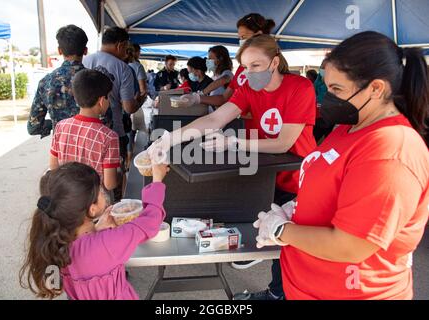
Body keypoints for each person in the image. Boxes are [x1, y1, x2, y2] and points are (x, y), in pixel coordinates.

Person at [254, 31, 429, 300]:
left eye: (337, 89)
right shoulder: (350, 126)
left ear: (376, 89)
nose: (327, 98)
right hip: (306, 286)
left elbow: (352, 245)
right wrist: (297, 207)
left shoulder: (391, 149)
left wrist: (281, 230)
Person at [149, 35, 317, 301]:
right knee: (270, 240)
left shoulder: (300, 87)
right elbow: (216, 117)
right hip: (263, 175)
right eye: (246, 67)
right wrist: (170, 137)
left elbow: (284, 142)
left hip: (299, 176)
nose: (249, 73)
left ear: (275, 62)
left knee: (291, 245)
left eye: (256, 66)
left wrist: (235, 141)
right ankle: (276, 292)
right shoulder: (250, 89)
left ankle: (285, 294)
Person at [19, 161, 169, 300]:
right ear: (92, 209)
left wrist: (95, 229)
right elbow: (150, 222)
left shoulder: (58, 240)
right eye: (100, 192)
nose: (103, 193)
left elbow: (84, 250)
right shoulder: (107, 243)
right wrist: (157, 180)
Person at [178, 13, 281, 136]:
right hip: (243, 135)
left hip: (266, 136)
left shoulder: (272, 71)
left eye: (244, 37)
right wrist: (198, 98)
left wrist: (237, 111)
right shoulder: (241, 71)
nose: (241, 41)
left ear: (258, 35)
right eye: (240, 38)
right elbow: (224, 99)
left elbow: (269, 105)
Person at [83, 27, 144, 173]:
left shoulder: (85, 62)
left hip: (87, 132)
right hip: (114, 132)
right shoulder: (123, 68)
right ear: (120, 45)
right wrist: (140, 100)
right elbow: (129, 107)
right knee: (114, 178)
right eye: (126, 48)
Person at [49, 69, 119, 192]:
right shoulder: (109, 136)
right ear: (101, 101)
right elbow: (109, 184)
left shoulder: (61, 127)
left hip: (68, 198)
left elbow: (54, 167)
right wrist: (119, 171)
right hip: (96, 203)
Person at [27, 25, 88, 138]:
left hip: (60, 151)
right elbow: (107, 121)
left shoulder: (46, 82)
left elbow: (33, 127)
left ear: (59, 51)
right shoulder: (95, 79)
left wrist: (53, 123)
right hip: (93, 150)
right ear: (85, 51)